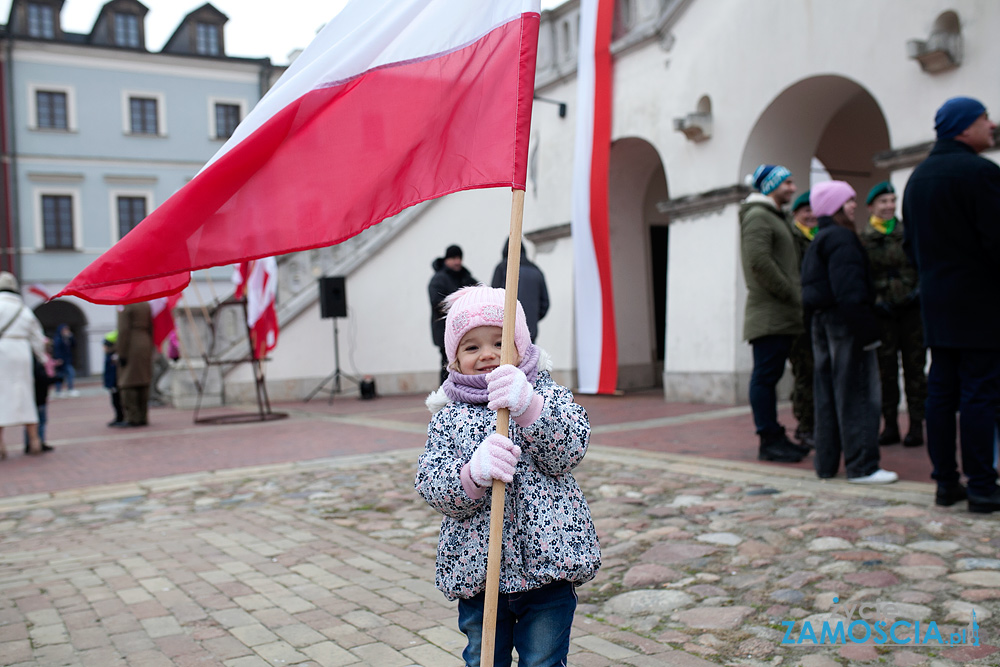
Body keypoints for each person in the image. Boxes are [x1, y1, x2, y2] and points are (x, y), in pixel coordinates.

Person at [415, 285, 600, 667]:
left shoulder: (544, 392)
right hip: (480, 572)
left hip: (547, 565)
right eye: (471, 347)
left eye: (500, 342)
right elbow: (431, 482)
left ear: (521, 345)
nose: (486, 354)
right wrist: (472, 475)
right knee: (485, 661)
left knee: (543, 661)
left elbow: (568, 452)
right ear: (453, 360)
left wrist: (530, 407)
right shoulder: (449, 414)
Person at [902, 96, 1000, 513]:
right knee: (979, 392)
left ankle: (946, 483)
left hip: (936, 303)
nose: (991, 124)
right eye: (983, 118)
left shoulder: (917, 178)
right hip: (980, 302)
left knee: (941, 392)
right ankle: (981, 485)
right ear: (963, 128)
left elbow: (910, 248)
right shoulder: (981, 172)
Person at [801, 181, 898, 485]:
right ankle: (862, 466)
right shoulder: (842, 238)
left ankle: (826, 463)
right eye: (849, 201)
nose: (854, 205)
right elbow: (850, 290)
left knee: (828, 395)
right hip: (846, 324)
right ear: (834, 206)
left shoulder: (821, 238)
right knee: (858, 393)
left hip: (822, 323)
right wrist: (868, 331)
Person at [739, 164, 809, 463]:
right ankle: (769, 439)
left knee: (771, 377)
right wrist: (793, 294)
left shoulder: (772, 216)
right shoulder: (758, 217)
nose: (793, 188)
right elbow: (759, 263)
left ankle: (776, 435)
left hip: (781, 315)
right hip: (770, 316)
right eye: (787, 183)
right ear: (770, 186)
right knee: (765, 379)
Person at [860, 181, 927, 448]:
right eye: (883, 202)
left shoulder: (908, 232)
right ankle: (889, 424)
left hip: (911, 312)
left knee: (915, 369)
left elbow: (923, 263)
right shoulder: (863, 239)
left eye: (891, 201)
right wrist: (876, 300)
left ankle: (917, 425)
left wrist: (918, 290)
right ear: (871, 207)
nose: (889, 206)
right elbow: (862, 277)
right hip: (883, 315)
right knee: (885, 371)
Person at [0, 271, 47, 458]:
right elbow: (37, 337)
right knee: (26, 396)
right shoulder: (24, 309)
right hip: (21, 350)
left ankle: (1, 446)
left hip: (1, 350)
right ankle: (34, 441)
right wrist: (42, 359)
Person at [788, 190, 817, 449]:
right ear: (796, 214)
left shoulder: (820, 237)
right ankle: (805, 425)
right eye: (805, 210)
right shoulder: (792, 238)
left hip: (819, 315)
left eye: (814, 210)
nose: (811, 215)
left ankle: (816, 423)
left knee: (817, 372)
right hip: (800, 317)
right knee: (804, 374)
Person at [428, 244, 477, 384]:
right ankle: (445, 397)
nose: (457, 262)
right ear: (447, 259)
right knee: (447, 367)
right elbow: (438, 304)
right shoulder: (438, 279)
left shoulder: (466, 277)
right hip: (445, 332)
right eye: (454, 258)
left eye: (459, 258)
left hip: (465, 331)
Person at [490, 238, 550, 341]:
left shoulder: (503, 268)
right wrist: (532, 318)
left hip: (506, 330)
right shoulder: (536, 270)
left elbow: (493, 299)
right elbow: (545, 304)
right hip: (530, 331)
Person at [116, 301, 154, 428]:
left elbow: (123, 330)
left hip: (131, 344)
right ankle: (143, 416)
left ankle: (133, 417)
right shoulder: (146, 304)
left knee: (127, 382)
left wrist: (121, 353)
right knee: (143, 380)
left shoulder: (125, 304)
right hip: (145, 340)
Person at [24, 339, 56, 453]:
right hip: (38, 397)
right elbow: (42, 378)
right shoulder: (36, 362)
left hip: (33, 396)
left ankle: (30, 443)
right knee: (39, 421)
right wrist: (56, 379)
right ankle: (38, 442)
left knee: (30, 421)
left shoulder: (28, 360)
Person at [103, 331, 126, 427]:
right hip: (112, 383)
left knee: (117, 401)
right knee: (115, 402)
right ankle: (118, 417)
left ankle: (120, 418)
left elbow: (113, 372)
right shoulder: (109, 356)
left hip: (115, 383)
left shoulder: (114, 356)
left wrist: (112, 383)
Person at [51, 323, 78, 397]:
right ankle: (59, 390)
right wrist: (58, 359)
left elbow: (74, 345)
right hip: (61, 360)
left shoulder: (67, 339)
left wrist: (71, 337)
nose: (66, 331)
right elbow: (57, 350)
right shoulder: (58, 339)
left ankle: (68, 389)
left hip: (67, 360)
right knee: (61, 375)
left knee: (69, 374)